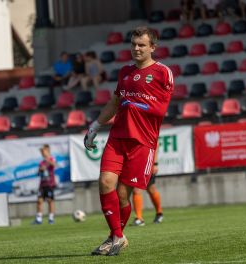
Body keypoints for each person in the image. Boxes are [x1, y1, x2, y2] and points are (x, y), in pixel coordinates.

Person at [84, 26, 174, 256]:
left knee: (123, 193)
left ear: (152, 47)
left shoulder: (163, 72)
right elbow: (114, 103)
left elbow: (160, 110)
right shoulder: (124, 72)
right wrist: (94, 127)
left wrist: (134, 103)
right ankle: (118, 236)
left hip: (142, 141)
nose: (136, 48)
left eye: (141, 45)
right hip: (117, 136)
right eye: (133, 44)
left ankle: (115, 236)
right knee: (105, 182)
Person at [131, 143, 163, 226]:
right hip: (135, 162)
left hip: (147, 162)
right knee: (140, 189)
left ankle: (157, 213)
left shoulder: (147, 130)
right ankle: (139, 217)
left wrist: (155, 163)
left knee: (149, 188)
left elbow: (156, 143)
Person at [34, 144, 57, 225]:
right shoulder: (41, 162)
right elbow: (38, 173)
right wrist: (40, 170)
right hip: (42, 184)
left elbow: (54, 165)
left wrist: (48, 161)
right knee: (39, 201)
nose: (42, 153)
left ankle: (51, 218)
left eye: (43, 151)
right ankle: (39, 219)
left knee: (50, 201)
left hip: (49, 184)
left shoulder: (51, 159)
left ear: (48, 151)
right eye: (41, 152)